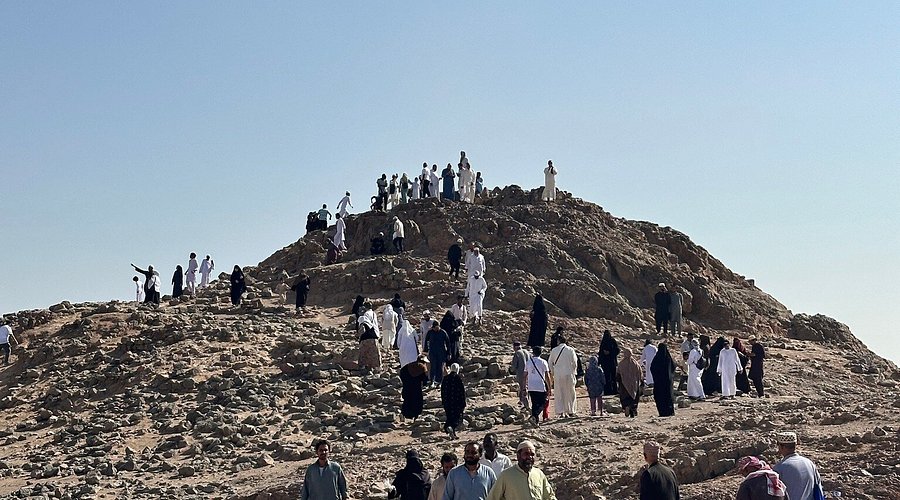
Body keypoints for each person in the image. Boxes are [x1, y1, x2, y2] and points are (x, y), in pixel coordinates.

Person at [486, 440, 556, 500]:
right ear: (518, 456)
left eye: (532, 454)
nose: (529, 457)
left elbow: (549, 496)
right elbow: (493, 498)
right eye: (526, 454)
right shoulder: (506, 475)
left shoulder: (539, 474)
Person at [772, 432, 824, 500]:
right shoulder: (809, 464)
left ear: (781, 447)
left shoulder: (779, 468)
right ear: (795, 445)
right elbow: (818, 490)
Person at [549, 333, 578, 417]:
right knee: (570, 392)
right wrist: (574, 372)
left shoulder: (554, 350)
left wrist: (553, 372)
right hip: (569, 373)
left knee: (559, 393)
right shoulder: (570, 350)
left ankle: (561, 412)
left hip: (558, 374)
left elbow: (550, 363)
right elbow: (575, 362)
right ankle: (571, 411)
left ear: (558, 341)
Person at [525, 346, 552, 426]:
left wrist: (524, 386)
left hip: (531, 385)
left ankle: (535, 421)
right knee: (543, 402)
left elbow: (524, 375)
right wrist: (549, 387)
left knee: (534, 403)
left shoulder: (528, 362)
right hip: (540, 385)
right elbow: (547, 375)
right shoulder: (543, 362)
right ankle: (534, 416)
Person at [650, 343, 676, 417]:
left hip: (659, 383)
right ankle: (670, 412)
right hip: (668, 383)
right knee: (668, 396)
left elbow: (652, 368)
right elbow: (673, 367)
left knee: (660, 397)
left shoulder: (656, 359)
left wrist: (657, 377)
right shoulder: (668, 358)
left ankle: (662, 412)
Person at [441, 363, 466, 439]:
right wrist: (463, 403)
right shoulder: (458, 378)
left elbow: (442, 391)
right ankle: (451, 428)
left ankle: (452, 433)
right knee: (456, 418)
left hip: (447, 403)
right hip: (457, 403)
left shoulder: (445, 378)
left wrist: (444, 401)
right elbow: (462, 392)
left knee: (449, 417)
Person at [400, 356, 429, 421]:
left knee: (407, 401)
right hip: (417, 390)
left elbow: (402, 375)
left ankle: (405, 415)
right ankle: (416, 417)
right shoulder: (422, 367)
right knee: (417, 403)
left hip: (407, 388)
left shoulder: (407, 367)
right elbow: (425, 380)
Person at [616, 348, 642, 418]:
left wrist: (619, 382)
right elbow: (640, 373)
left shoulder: (621, 364)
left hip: (624, 385)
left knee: (625, 397)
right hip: (634, 384)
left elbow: (618, 375)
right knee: (634, 398)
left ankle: (626, 407)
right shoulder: (635, 363)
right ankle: (633, 411)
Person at [424, 321, 450, 387]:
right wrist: (426, 351)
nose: (434, 329)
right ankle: (432, 381)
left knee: (440, 367)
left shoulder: (443, 332)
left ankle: (440, 382)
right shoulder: (430, 332)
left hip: (441, 352)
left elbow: (448, 343)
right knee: (433, 366)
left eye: (435, 327)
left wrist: (448, 353)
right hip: (432, 352)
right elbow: (426, 341)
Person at [598, 330, 620, 396]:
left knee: (611, 377)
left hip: (608, 362)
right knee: (609, 377)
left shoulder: (608, 341)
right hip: (610, 362)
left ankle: (611, 390)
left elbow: (617, 350)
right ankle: (611, 390)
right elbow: (601, 352)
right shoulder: (609, 341)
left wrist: (609, 353)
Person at [510, 342, 529, 409]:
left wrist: (511, 370)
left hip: (521, 373)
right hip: (529, 373)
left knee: (522, 388)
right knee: (527, 388)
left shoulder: (517, 353)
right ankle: (525, 401)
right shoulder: (527, 351)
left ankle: (525, 404)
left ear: (514, 347)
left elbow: (514, 366)